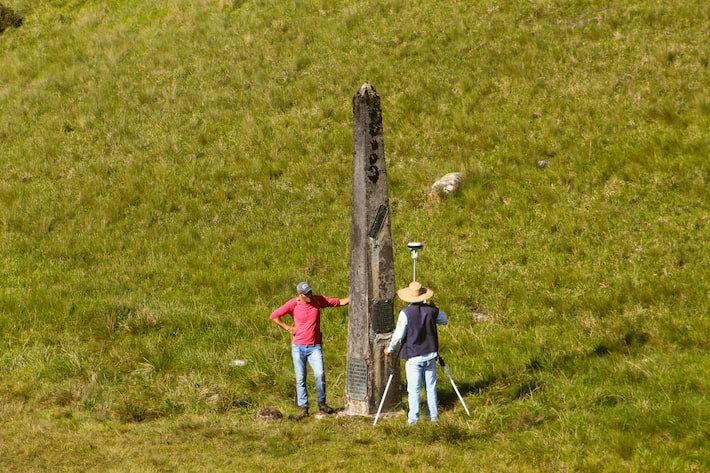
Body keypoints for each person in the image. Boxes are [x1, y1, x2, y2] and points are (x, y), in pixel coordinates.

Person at [270, 281, 349, 419]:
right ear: (300, 295)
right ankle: (304, 408)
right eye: (307, 294)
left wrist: (355, 294)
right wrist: (288, 328)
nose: (310, 295)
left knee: (320, 374)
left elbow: (340, 302)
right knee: (301, 378)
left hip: (314, 347)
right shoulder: (293, 304)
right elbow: (274, 316)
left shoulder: (318, 300)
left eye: (310, 292)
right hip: (298, 347)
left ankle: (322, 403)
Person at [384, 281, 448, 424]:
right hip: (431, 354)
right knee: (431, 387)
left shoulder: (405, 313)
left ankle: (413, 420)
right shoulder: (432, 311)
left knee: (414, 390)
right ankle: (434, 417)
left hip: (414, 356)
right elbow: (444, 320)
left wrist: (390, 349)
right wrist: (434, 309)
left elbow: (399, 335)